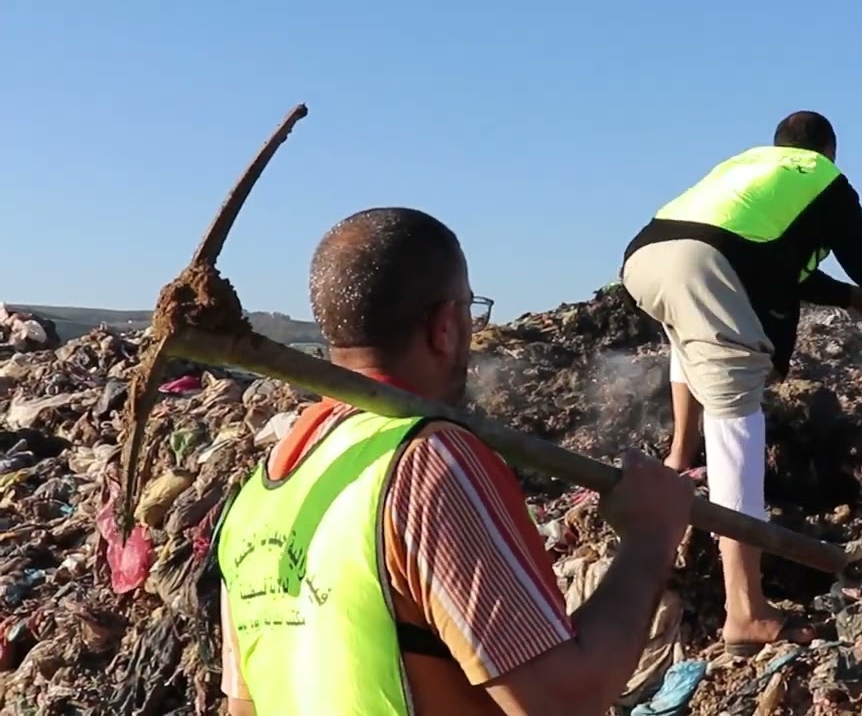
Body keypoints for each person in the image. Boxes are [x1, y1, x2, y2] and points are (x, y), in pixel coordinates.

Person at [214, 207, 696, 716]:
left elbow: (244, 706)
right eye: (470, 309)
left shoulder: (258, 495)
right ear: (445, 326)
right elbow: (562, 702)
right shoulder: (428, 464)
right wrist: (649, 539)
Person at [620, 111, 862, 654]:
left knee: (691, 338)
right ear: (826, 150)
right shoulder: (822, 176)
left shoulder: (752, 172)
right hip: (705, 263)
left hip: (646, 256)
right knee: (737, 413)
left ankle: (677, 457)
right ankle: (745, 610)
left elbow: (784, 265)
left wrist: (856, 298)